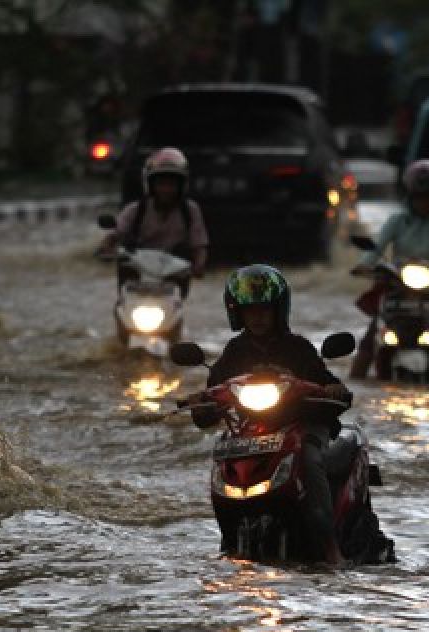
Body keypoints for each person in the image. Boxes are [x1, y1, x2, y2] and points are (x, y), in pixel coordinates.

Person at [191, 265, 351, 564]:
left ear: (279, 310)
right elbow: (213, 394)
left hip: (300, 428)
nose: (258, 317)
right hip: (250, 434)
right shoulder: (234, 352)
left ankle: (330, 549)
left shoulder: (298, 348)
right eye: (250, 311)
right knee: (222, 458)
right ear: (237, 313)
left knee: (310, 458)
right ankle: (228, 541)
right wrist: (200, 400)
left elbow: (328, 382)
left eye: (265, 310)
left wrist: (333, 389)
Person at [351, 158, 429, 381]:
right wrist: (365, 264)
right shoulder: (397, 220)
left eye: (428, 198)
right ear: (409, 196)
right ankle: (354, 385)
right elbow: (377, 246)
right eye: (419, 197)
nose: (423, 203)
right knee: (371, 336)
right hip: (397, 285)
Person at [100, 147, 209, 284]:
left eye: (172, 184)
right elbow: (115, 233)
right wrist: (106, 248)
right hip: (136, 277)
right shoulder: (135, 210)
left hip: (174, 278)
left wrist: (199, 265)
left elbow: (199, 245)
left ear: (181, 186)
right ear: (151, 185)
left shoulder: (190, 210)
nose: (166, 190)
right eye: (161, 184)